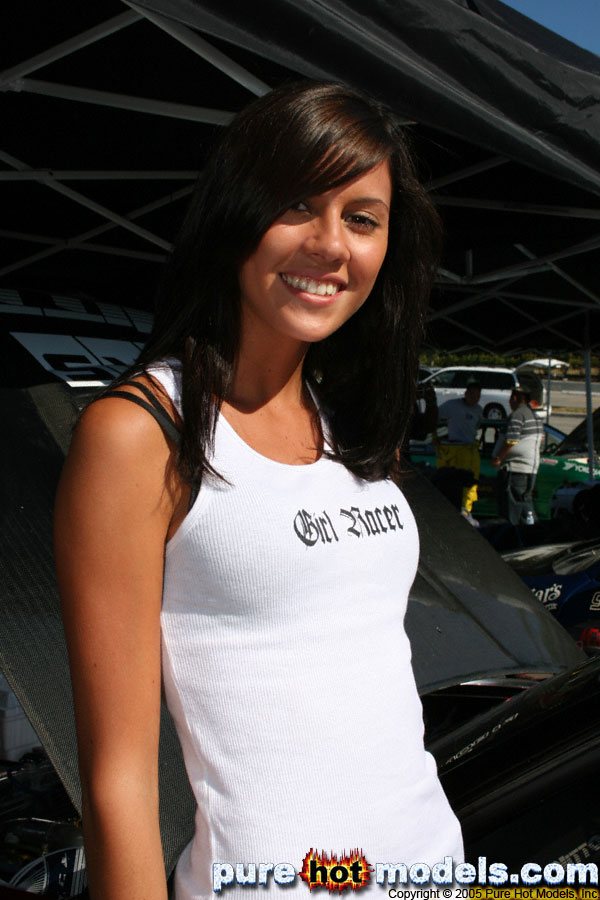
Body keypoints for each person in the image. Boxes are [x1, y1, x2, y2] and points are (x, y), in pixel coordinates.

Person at [54, 81, 463, 900]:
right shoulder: (141, 434)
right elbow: (118, 782)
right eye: (297, 204)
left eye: (362, 219)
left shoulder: (350, 425)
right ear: (235, 211)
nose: (331, 244)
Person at [492, 385, 544, 525]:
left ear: (514, 398)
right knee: (525, 504)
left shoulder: (518, 415)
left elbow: (511, 440)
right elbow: (540, 439)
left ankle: (518, 533)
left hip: (515, 469)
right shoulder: (535, 416)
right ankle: (532, 530)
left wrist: (498, 458)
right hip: (530, 469)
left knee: (513, 509)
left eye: (511, 397)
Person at [435, 380, 483, 526]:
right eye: (472, 394)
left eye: (478, 396)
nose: (474, 398)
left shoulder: (479, 410)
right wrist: (435, 438)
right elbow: (435, 417)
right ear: (466, 393)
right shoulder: (452, 405)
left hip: (470, 451)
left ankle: (467, 510)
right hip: (454, 449)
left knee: (470, 482)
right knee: (452, 482)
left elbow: (478, 427)